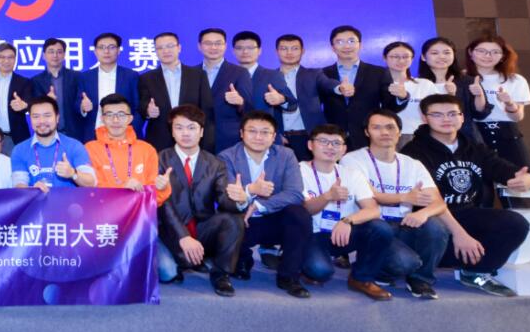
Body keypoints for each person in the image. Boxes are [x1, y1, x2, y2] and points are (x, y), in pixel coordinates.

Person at [403, 94, 530, 296]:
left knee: (516, 223)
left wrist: (527, 180)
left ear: (462, 117)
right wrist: (460, 234)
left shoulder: (474, 148)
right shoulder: (413, 152)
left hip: (467, 213)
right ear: (424, 118)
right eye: (437, 114)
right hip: (430, 218)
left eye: (452, 114)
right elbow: (430, 201)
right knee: (434, 232)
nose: (446, 119)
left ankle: (475, 271)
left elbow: (509, 171)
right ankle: (424, 269)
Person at [342, 110, 451, 299]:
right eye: (377, 127)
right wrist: (405, 197)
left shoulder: (413, 164)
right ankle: (376, 271)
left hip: (403, 224)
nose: (385, 132)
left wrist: (423, 213)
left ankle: (420, 280)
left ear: (399, 132)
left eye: (390, 127)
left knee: (436, 226)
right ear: (367, 132)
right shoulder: (352, 159)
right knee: (405, 263)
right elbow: (369, 196)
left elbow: (439, 203)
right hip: (371, 227)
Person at [297, 125, 397, 300]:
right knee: (320, 271)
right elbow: (306, 209)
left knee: (381, 229)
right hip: (312, 233)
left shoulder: (352, 174)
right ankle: (300, 263)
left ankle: (361, 279)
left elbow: (373, 209)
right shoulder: (299, 171)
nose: (330, 147)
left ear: (343, 149)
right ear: (310, 145)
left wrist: (347, 220)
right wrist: (327, 196)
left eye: (336, 143)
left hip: (343, 233)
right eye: (323, 141)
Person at [219, 111, 311, 298]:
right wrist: (251, 190)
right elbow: (227, 196)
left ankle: (289, 276)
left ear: (274, 136)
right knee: (227, 220)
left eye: (265, 132)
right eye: (252, 131)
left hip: (273, 217)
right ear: (241, 133)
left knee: (299, 214)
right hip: (241, 220)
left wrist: (259, 205)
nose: (258, 137)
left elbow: (295, 193)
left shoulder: (286, 155)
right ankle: (242, 260)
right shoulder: (226, 157)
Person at [156, 105, 243, 295]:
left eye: (191, 127)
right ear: (172, 131)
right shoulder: (159, 159)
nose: (185, 133)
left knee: (233, 220)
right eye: (179, 127)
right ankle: (185, 260)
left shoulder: (215, 163)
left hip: (202, 228)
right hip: (169, 231)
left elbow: (224, 200)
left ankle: (220, 274)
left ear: (201, 132)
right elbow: (163, 204)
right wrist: (183, 236)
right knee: (168, 273)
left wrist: (240, 199)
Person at [320, 25, 404, 150]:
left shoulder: (379, 72)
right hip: (332, 138)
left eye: (351, 41)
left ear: (360, 45)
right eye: (340, 42)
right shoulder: (322, 74)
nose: (346, 46)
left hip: (367, 135)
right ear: (332, 47)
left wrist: (401, 97)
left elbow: (390, 107)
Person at [466, 33, 530, 172]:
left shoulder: (515, 80)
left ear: (503, 56)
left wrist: (509, 103)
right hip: (474, 135)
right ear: (470, 52)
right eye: (481, 51)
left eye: (495, 52)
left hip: (508, 134)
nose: (488, 56)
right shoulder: (462, 78)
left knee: (523, 177)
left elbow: (517, 117)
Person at [86, 94, 170, 203]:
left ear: (130, 119)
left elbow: (154, 198)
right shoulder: (90, 149)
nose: (115, 120)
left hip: (139, 211)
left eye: (121, 115)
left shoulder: (147, 150)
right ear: (102, 119)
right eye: (109, 115)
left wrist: (162, 188)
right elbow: (90, 190)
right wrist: (123, 189)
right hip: (102, 211)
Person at [137, 32, 213, 152]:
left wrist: (206, 140)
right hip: (160, 140)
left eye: (170, 46)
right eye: (160, 48)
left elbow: (206, 108)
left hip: (191, 138)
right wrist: (148, 111)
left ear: (179, 48)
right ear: (155, 51)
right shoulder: (146, 78)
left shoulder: (198, 75)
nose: (166, 51)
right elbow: (141, 106)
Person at [275, 34, 340, 162]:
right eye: (284, 48)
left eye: (294, 48)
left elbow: (327, 84)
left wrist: (339, 88)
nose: (289, 53)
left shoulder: (314, 74)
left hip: (309, 136)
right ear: (276, 51)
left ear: (302, 51)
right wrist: (276, 135)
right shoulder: (269, 76)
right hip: (281, 139)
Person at [11, 96, 97, 191]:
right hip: (35, 200)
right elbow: (18, 184)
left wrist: (73, 173)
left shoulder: (74, 146)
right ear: (30, 119)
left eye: (47, 115)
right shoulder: (19, 150)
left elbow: (91, 182)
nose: (42, 121)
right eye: (36, 116)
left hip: (68, 200)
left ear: (57, 118)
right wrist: (31, 190)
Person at [417, 36, 490, 142]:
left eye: (447, 53)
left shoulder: (467, 81)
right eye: (435, 53)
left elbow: (481, 114)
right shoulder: (417, 84)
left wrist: (479, 95)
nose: (442, 56)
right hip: (428, 139)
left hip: (465, 138)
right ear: (423, 57)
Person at [231, 31, 296, 138]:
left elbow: (292, 104)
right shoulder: (226, 76)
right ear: (233, 51)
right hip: (232, 136)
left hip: (264, 136)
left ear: (259, 51)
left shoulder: (272, 75)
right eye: (239, 48)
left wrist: (281, 99)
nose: (245, 51)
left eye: (250, 48)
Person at [198, 28, 254, 153]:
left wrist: (240, 102)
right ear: (199, 46)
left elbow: (250, 109)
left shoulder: (240, 72)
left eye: (218, 43)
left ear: (225, 46)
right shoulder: (192, 73)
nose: (213, 47)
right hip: (197, 139)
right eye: (208, 43)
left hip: (228, 139)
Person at [80, 31, 141, 141]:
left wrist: (131, 130)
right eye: (101, 47)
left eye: (111, 47)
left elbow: (137, 107)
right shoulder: (85, 77)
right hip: (93, 135)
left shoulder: (131, 76)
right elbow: (76, 104)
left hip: (123, 135)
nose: (106, 51)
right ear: (95, 51)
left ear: (118, 50)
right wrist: (82, 108)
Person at [381, 41, 441, 143]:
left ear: (412, 59)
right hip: (388, 136)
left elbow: (438, 110)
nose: (401, 60)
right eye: (395, 56)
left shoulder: (425, 84)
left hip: (421, 135)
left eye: (405, 57)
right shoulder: (378, 84)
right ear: (384, 58)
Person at [0, 42, 32, 153]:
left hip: (17, 138)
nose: (6, 61)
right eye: (2, 57)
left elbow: (31, 103)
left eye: (10, 57)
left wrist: (25, 105)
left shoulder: (24, 82)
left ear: (15, 59)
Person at [30, 38, 85, 140]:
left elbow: (79, 103)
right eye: (51, 52)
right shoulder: (35, 81)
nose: (55, 55)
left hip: (73, 134)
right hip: (46, 133)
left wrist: (83, 107)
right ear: (43, 55)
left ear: (64, 55)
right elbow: (34, 106)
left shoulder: (77, 77)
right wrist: (47, 100)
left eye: (59, 52)